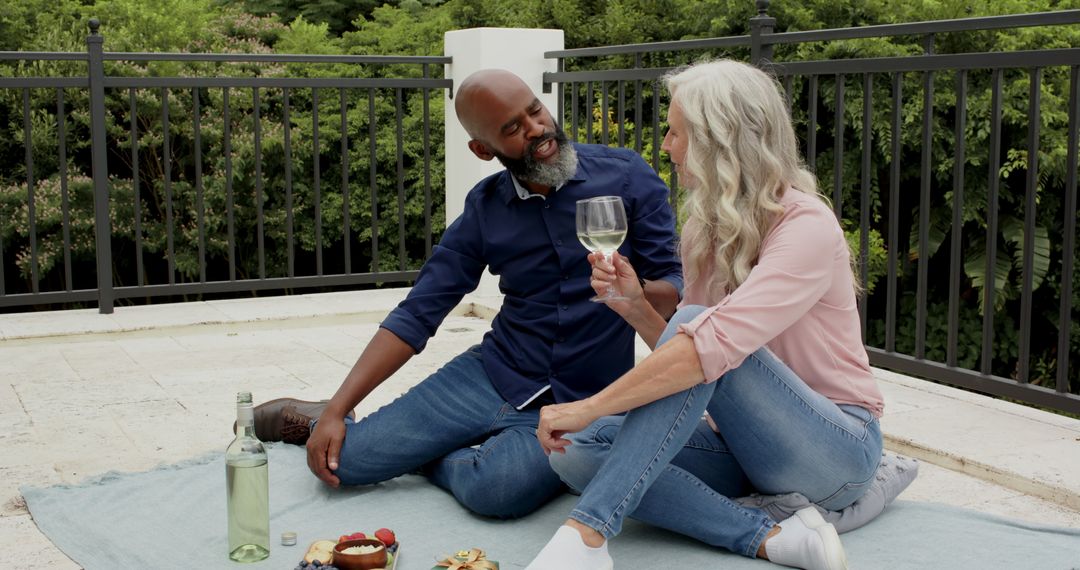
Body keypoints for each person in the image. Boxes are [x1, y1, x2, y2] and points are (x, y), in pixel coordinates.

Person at [245, 68, 683, 519]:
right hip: (493, 374)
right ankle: (317, 415)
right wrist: (340, 406)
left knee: (498, 490)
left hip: (580, 401)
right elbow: (419, 311)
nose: (537, 130)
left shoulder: (626, 175)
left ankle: (433, 452)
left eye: (535, 111)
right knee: (346, 463)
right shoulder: (485, 207)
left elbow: (675, 286)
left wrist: (635, 292)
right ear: (482, 149)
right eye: (512, 128)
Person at [526, 59, 886, 570]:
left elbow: (708, 347)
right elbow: (690, 360)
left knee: (695, 330)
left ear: (722, 140)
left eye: (676, 132)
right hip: (743, 446)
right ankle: (770, 538)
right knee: (576, 450)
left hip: (834, 451)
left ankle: (588, 532)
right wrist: (634, 307)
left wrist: (587, 405)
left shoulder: (806, 225)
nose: (666, 146)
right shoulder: (704, 230)